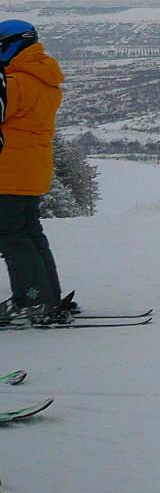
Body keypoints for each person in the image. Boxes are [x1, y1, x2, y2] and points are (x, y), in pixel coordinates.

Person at [0, 20, 70, 326]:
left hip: (8, 173)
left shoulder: (16, 83)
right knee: (30, 233)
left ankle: (33, 301)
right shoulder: (43, 78)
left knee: (11, 237)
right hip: (31, 172)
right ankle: (47, 297)